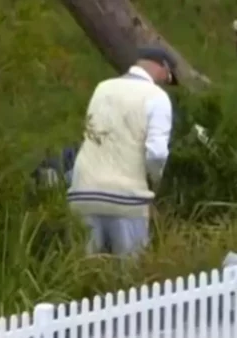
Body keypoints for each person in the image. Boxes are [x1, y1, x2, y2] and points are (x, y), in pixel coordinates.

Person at [67, 46, 178, 257]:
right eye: (169, 76)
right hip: (127, 199)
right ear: (163, 67)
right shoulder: (156, 96)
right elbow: (157, 153)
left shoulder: (102, 88)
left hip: (82, 192)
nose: (166, 81)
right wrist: (155, 181)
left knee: (85, 274)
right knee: (130, 279)